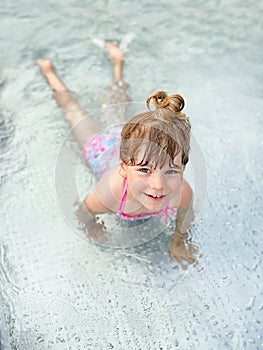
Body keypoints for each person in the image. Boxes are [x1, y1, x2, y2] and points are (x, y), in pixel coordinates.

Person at [37, 43, 198, 269]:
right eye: (145, 170)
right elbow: (83, 212)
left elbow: (184, 216)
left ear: (183, 167)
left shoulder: (181, 193)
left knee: (115, 108)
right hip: (102, 147)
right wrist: (94, 229)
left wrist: (179, 240)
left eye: (171, 170)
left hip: (137, 147)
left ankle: (117, 64)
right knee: (74, 114)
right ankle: (50, 73)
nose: (158, 184)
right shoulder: (111, 192)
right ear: (123, 168)